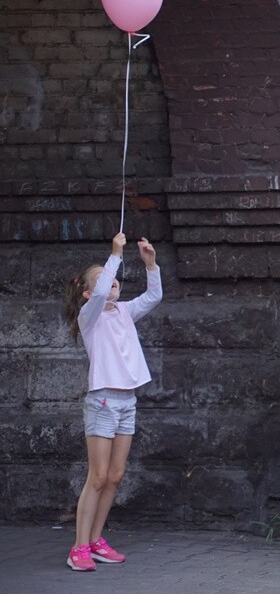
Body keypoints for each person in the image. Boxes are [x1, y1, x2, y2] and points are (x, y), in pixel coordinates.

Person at [61, 233, 162, 571]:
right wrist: (114, 255)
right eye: (103, 281)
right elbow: (103, 288)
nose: (112, 283)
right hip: (103, 400)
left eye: (114, 278)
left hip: (126, 401)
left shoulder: (123, 311)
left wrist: (150, 264)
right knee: (99, 475)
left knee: (116, 475)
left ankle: (95, 540)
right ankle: (78, 547)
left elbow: (154, 295)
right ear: (88, 293)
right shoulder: (89, 318)